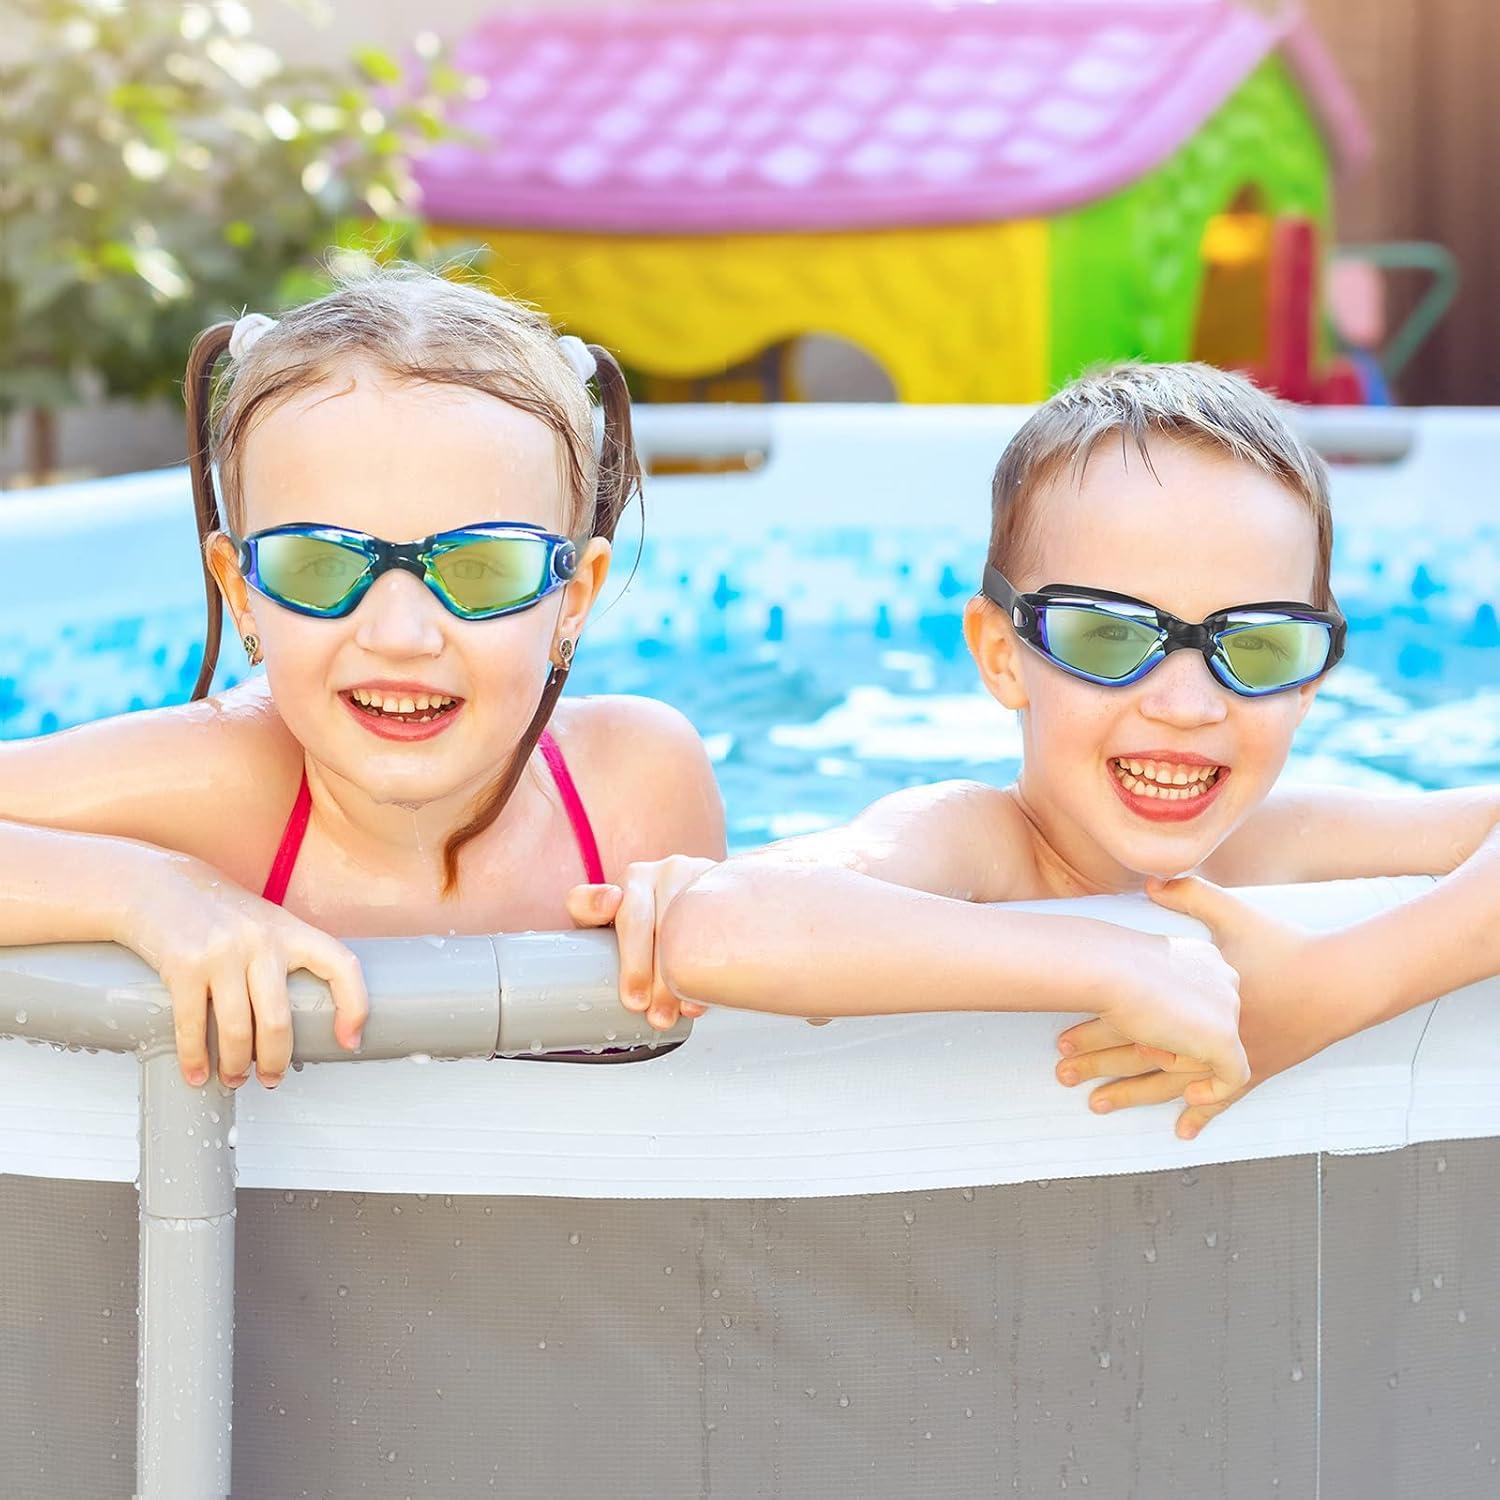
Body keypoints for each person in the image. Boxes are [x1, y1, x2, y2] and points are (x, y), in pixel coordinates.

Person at [580, 363, 1500, 1139]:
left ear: (1310, 677)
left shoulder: (1279, 846)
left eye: (1255, 644)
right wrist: (1115, 961)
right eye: (1106, 637)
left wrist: (1332, 991)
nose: (1185, 705)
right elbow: (716, 920)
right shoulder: (979, 845)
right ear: (1001, 656)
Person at [0, 263, 723, 1090]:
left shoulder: (636, 791)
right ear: (242, 593)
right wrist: (147, 889)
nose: (399, 634)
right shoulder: (218, 785)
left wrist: (708, 920)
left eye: (482, 567)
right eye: (317, 565)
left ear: (573, 599)